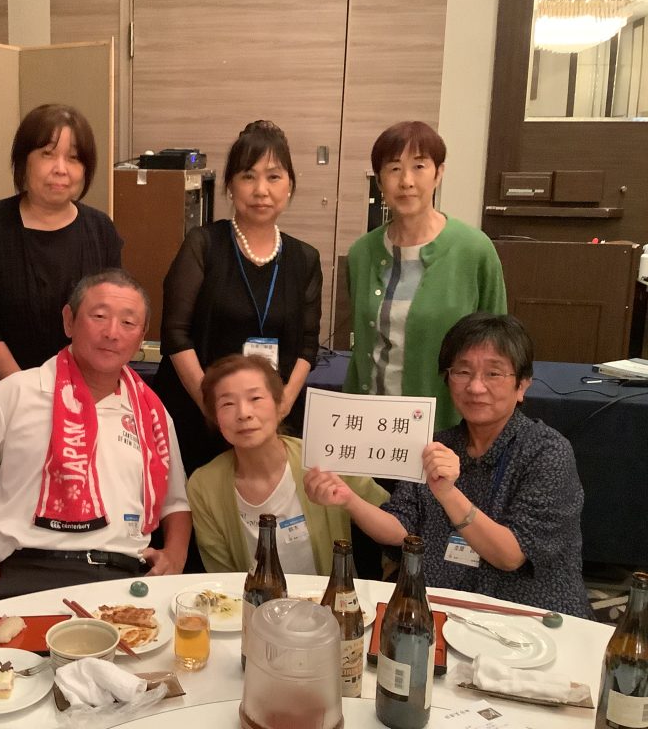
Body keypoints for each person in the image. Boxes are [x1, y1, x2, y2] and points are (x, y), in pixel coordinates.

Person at [305, 313, 589, 618]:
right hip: (440, 611)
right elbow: (400, 527)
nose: (476, 387)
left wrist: (447, 493)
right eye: (463, 371)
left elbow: (510, 556)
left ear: (522, 386)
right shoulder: (436, 445)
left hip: (527, 618)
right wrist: (348, 499)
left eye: (493, 373)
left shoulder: (547, 451)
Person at [0, 270, 191, 604]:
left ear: (142, 336)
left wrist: (175, 556)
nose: (112, 333)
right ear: (69, 321)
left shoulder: (152, 414)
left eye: (128, 323)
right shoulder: (19, 390)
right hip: (22, 569)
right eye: (99, 316)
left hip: (119, 576)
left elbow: (175, 503)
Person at [156, 120, 322, 476]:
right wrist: (214, 407)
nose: (261, 190)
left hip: (269, 421)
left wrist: (281, 406)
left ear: (290, 185)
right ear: (230, 186)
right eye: (248, 176)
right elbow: (175, 334)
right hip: (198, 417)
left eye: (273, 177)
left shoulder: (304, 258)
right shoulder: (203, 245)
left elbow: (308, 345)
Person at [0, 103, 122, 421]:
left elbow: (111, 317)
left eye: (74, 158)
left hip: (81, 403)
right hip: (3, 402)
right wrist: (33, 396)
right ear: (23, 160)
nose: (61, 169)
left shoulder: (101, 230)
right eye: (47, 154)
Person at [344, 120, 506, 432]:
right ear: (380, 180)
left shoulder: (474, 250)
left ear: (438, 173)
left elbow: (500, 346)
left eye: (419, 166)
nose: (406, 181)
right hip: (368, 426)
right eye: (394, 169)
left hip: (444, 428)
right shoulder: (361, 253)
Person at [187, 354, 388, 575]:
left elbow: (395, 525)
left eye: (255, 398)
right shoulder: (203, 486)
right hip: (248, 597)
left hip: (331, 596)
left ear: (280, 404)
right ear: (215, 417)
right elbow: (222, 577)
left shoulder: (322, 459)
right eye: (227, 403)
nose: (244, 413)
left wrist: (349, 500)